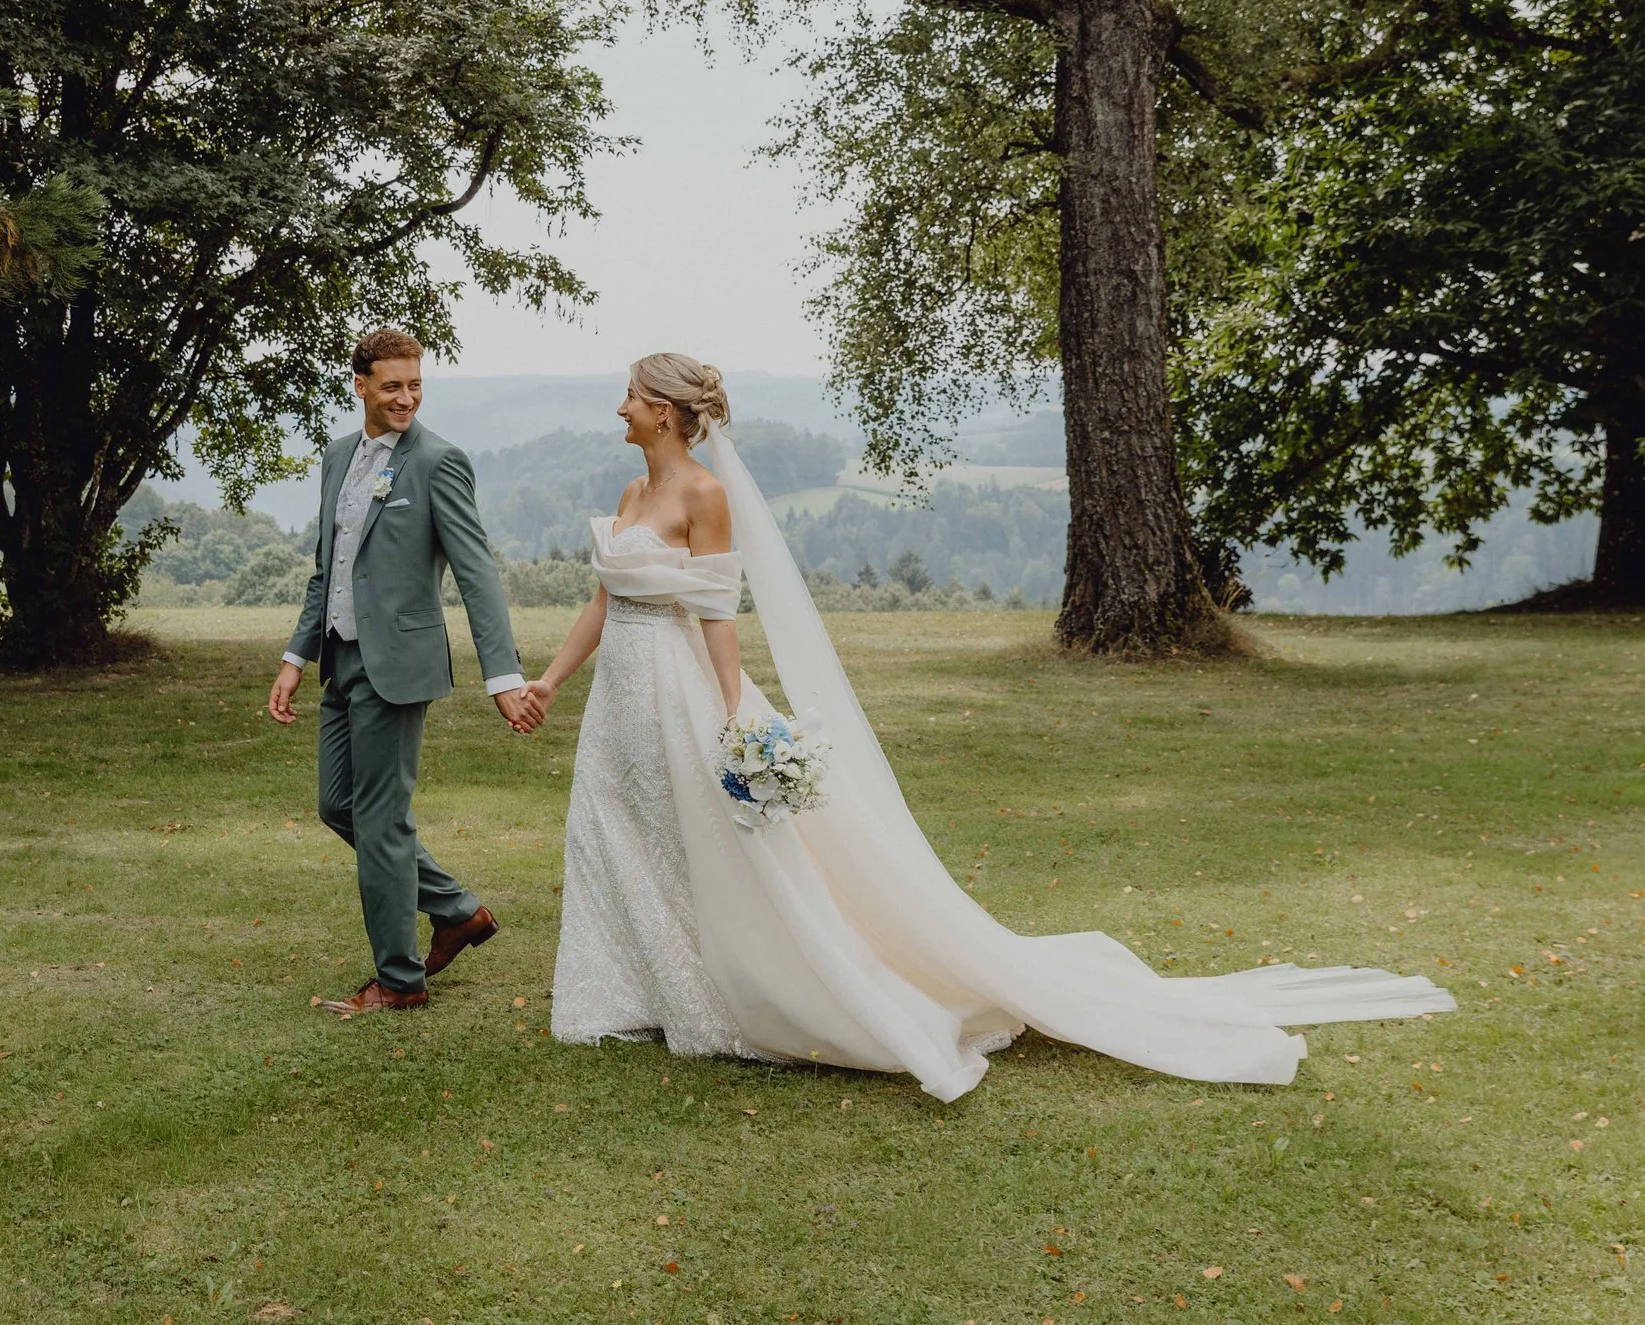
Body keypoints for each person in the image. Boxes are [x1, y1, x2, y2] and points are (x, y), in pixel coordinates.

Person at [523, 353, 1455, 1099]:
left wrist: (735, 717)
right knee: (619, 828)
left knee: (713, 842)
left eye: (635, 396)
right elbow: (606, 601)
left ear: (672, 412)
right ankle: (637, 987)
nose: (622, 407)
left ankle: (750, 989)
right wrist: (553, 682)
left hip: (683, 686)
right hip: (619, 699)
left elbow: (719, 614)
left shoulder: (701, 496)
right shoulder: (634, 493)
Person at [266, 328, 542, 1019]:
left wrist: (502, 675)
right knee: (340, 806)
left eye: (415, 385)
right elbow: (327, 570)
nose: (406, 398)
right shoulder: (336, 458)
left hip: (400, 665)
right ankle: (457, 909)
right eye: (392, 385)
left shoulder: (438, 462)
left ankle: (399, 980)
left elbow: (477, 572)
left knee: (383, 821)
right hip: (341, 659)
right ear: (358, 383)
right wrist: (295, 658)